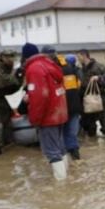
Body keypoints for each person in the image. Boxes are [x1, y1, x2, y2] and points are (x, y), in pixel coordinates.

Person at [21, 42, 69, 180]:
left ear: (25, 57)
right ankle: (67, 178)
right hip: (60, 112)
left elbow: (40, 97)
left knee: (52, 152)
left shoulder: (34, 69)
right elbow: (51, 90)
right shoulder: (49, 64)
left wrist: (35, 120)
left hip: (48, 116)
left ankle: (61, 186)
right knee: (60, 148)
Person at [78, 49, 105, 137]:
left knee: (104, 125)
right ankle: (94, 145)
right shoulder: (80, 70)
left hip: (100, 100)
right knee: (90, 128)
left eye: (79, 56)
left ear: (84, 55)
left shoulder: (99, 67)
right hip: (87, 102)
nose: (78, 59)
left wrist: (99, 78)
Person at [61, 54, 82, 160]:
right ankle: (74, 152)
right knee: (72, 131)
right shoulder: (76, 71)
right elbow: (80, 87)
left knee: (64, 131)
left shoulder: (57, 71)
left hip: (62, 108)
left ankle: (66, 153)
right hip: (74, 106)